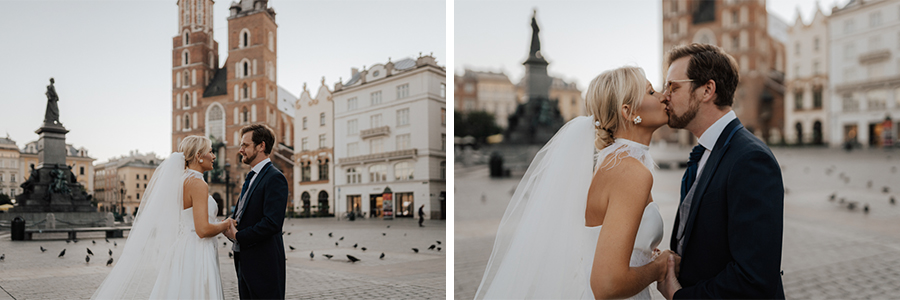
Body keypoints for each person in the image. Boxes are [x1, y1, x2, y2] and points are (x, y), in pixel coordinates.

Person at [475, 66, 673, 299]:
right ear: (628, 112)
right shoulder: (629, 171)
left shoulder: (614, 163)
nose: (663, 96)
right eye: (651, 92)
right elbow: (607, 285)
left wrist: (642, 253)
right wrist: (658, 268)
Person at [656, 43, 784, 299]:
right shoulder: (705, 151)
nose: (664, 96)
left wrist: (679, 296)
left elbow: (753, 277)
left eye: (673, 86)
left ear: (707, 89)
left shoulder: (750, 159)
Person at [92, 136, 233, 299]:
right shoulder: (198, 184)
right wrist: (226, 224)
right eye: (210, 151)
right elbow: (202, 230)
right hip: (198, 250)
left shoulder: (182, 182)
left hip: (183, 248)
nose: (214, 156)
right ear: (198, 156)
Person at [224, 124, 289, 299]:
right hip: (245, 262)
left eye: (245, 145)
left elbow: (272, 223)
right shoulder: (253, 176)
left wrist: (239, 236)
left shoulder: (275, 177)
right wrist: (229, 225)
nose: (240, 150)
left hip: (263, 266)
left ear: (261, 146)